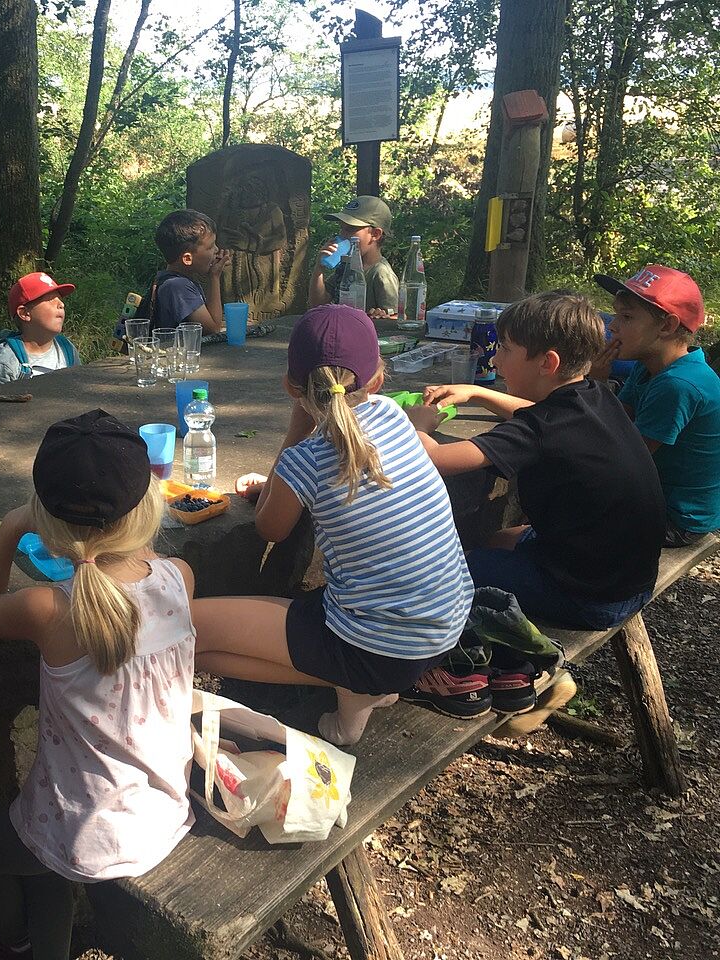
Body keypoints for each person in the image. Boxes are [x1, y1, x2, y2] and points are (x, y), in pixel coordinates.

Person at [0, 409, 197, 960]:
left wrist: (12, 526)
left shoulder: (48, 608)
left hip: (84, 831)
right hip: (164, 809)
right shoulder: (179, 577)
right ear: (148, 504)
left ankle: (20, 941)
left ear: (47, 519)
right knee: (41, 851)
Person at [190, 305, 473, 746]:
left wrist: (294, 437)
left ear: (290, 386)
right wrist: (288, 481)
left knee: (189, 631)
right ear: (378, 381)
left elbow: (270, 527)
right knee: (208, 641)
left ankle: (355, 689)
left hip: (375, 644)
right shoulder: (394, 416)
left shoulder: (307, 458)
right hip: (442, 628)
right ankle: (358, 684)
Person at [417, 291, 666, 630]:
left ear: (547, 363)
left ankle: (505, 663)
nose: (496, 361)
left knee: (452, 574)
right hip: (625, 576)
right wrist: (477, 392)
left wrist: (414, 423)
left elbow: (436, 459)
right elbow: (537, 414)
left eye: (505, 349)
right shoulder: (593, 394)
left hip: (592, 599)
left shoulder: (538, 430)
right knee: (497, 540)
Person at [592, 265, 720, 546]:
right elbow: (619, 421)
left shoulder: (678, 385)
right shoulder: (651, 366)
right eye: (615, 314)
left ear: (666, 326)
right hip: (650, 495)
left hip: (676, 519)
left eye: (626, 317)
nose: (612, 326)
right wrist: (598, 385)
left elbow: (624, 459)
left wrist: (597, 388)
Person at [134, 209, 231, 334]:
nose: (216, 250)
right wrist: (214, 277)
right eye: (210, 247)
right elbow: (212, 329)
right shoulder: (178, 287)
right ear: (187, 259)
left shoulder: (170, 280)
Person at [0, 272, 82, 387]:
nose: (61, 304)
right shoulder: (3, 361)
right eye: (50, 299)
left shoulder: (67, 349)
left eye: (60, 299)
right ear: (24, 313)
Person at [307, 196, 399, 319]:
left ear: (375, 234)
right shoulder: (347, 266)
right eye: (342, 229)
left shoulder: (381, 273)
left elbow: (395, 318)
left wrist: (382, 317)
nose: (343, 235)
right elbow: (318, 305)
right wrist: (319, 269)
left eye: (350, 229)